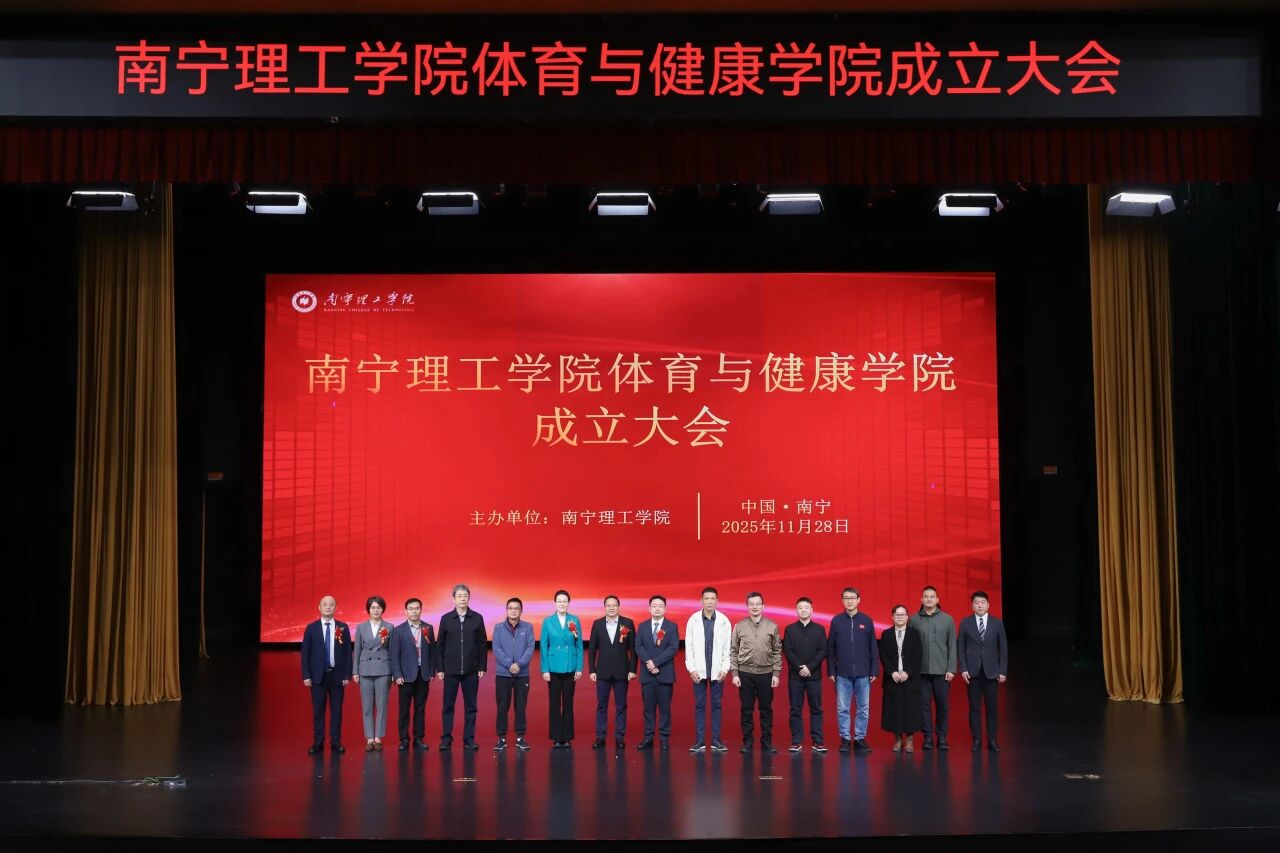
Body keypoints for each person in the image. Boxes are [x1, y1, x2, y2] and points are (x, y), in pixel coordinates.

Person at [435, 584, 487, 751]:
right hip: (450, 670)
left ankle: (469, 739)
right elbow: (440, 645)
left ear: (469, 598)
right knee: (447, 707)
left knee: (471, 707)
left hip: (471, 670)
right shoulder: (446, 619)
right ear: (453, 599)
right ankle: (446, 739)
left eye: (465, 596)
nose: (462, 599)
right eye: (459, 596)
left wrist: (482, 666)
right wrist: (440, 668)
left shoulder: (477, 618)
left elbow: (482, 644)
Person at [827, 587, 878, 754]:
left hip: (863, 672)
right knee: (843, 708)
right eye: (846, 598)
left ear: (858, 600)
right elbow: (831, 648)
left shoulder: (867, 620)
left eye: (852, 598)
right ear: (842, 601)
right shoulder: (836, 621)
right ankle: (845, 739)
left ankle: (860, 738)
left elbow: (873, 647)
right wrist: (831, 670)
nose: (850, 601)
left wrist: (874, 670)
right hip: (842, 673)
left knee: (863, 708)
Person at [730, 592, 782, 753]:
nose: (754, 606)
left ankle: (767, 743)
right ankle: (747, 743)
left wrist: (776, 673)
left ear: (763, 606)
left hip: (766, 674)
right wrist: (735, 673)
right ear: (747, 606)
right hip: (745, 674)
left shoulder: (772, 626)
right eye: (751, 604)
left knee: (766, 710)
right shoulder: (739, 626)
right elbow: (733, 650)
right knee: (746, 709)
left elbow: (777, 651)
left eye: (757, 603)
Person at [301, 595, 352, 754]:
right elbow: (305, 654)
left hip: (337, 676)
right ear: (319, 607)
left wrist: (347, 675)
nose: (328, 607)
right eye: (325, 604)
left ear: (336, 608)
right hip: (318, 676)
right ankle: (318, 742)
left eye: (331, 605)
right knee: (318, 711)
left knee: (337, 711)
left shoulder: (342, 627)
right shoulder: (311, 628)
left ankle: (335, 742)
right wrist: (306, 675)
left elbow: (347, 653)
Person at [958, 591, 1008, 752]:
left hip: (992, 671)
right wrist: (963, 669)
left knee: (992, 708)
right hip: (972, 672)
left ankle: (992, 740)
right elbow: (960, 648)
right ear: (972, 605)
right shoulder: (965, 623)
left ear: (988, 605)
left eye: (983, 602)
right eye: (977, 602)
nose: (980, 605)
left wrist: (1002, 671)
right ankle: (977, 740)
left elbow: (1004, 649)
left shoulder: (997, 623)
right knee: (974, 708)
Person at [908, 585, 957, 750]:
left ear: (937, 599)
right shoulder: (914, 620)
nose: (929, 599)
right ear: (921, 600)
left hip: (942, 671)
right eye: (926, 596)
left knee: (942, 705)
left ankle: (942, 737)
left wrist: (951, 669)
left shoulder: (947, 620)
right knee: (923, 706)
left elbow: (952, 646)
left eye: (932, 596)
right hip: (921, 671)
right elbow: (909, 646)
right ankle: (927, 737)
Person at [684, 587, 732, 753]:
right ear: (701, 601)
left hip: (718, 671)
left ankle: (716, 740)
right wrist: (691, 669)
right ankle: (699, 740)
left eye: (712, 598)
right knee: (700, 705)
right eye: (707, 598)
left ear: (717, 601)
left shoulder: (724, 621)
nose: (710, 601)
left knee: (716, 705)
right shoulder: (693, 620)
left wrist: (725, 669)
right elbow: (689, 646)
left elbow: (727, 648)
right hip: (699, 671)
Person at [588, 594, 637, 750]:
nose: (611, 608)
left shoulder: (627, 623)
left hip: (622, 671)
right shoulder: (597, 624)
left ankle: (619, 737)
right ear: (605, 607)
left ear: (618, 607)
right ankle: (600, 736)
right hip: (602, 672)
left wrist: (633, 670)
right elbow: (592, 649)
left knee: (621, 705)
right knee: (601, 705)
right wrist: (592, 670)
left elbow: (633, 649)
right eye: (608, 605)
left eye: (614, 605)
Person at [390, 597, 437, 751]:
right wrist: (397, 675)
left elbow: (432, 651)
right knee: (404, 710)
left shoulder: (428, 628)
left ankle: (419, 738)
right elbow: (394, 655)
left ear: (421, 610)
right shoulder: (398, 630)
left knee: (420, 709)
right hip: (405, 677)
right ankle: (404, 739)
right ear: (406, 611)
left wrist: (432, 671)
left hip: (423, 675)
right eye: (411, 609)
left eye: (417, 608)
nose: (414, 611)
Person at [783, 596, 827, 753]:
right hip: (795, 677)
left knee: (816, 708)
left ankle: (818, 741)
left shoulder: (820, 629)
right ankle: (796, 741)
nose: (803, 610)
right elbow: (788, 650)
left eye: (806, 607)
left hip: (814, 676)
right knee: (795, 709)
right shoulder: (790, 629)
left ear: (811, 610)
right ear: (796, 610)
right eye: (800, 608)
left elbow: (823, 650)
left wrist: (810, 667)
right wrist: (800, 667)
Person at [540, 590, 584, 748]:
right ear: (554, 603)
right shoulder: (548, 621)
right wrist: (545, 669)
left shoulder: (574, 620)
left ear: (568, 603)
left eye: (564, 601)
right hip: (553, 667)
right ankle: (556, 737)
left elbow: (579, 645)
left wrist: (579, 667)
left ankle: (567, 737)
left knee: (568, 703)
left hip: (570, 666)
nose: (562, 604)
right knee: (554, 703)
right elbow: (543, 645)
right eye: (559, 601)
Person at [878, 604, 924, 753]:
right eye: (897, 614)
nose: (900, 617)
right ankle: (898, 739)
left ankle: (909, 740)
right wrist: (892, 672)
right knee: (894, 709)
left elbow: (918, 655)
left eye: (903, 614)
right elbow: (883, 655)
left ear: (907, 617)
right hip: (892, 678)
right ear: (892, 617)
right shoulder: (886, 634)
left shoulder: (914, 634)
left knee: (911, 709)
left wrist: (907, 673)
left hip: (910, 678)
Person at [635, 595, 679, 750]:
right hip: (647, 675)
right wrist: (649, 662)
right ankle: (648, 737)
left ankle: (664, 738)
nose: (657, 608)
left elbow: (673, 648)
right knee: (648, 708)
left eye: (660, 606)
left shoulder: (671, 626)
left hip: (665, 674)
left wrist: (656, 662)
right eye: (654, 606)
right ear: (649, 608)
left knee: (665, 709)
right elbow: (638, 646)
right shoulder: (642, 626)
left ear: (665, 608)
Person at [491, 597, 534, 752]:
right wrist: (510, 664)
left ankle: (520, 737)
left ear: (521, 611)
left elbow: (530, 647)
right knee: (502, 706)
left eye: (516, 608)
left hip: (522, 674)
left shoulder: (528, 627)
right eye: (510, 608)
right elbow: (496, 648)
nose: (513, 611)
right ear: (506, 610)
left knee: (521, 706)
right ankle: (501, 738)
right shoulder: (498, 628)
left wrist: (519, 664)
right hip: (503, 674)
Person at [353, 595, 393, 752]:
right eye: (373, 607)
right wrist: (355, 671)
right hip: (365, 669)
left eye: (378, 607)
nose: (376, 610)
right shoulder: (361, 627)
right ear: (368, 610)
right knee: (367, 705)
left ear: (383, 609)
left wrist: (393, 673)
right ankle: (369, 738)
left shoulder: (389, 626)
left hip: (383, 669)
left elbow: (392, 650)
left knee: (382, 705)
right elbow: (357, 650)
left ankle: (378, 738)